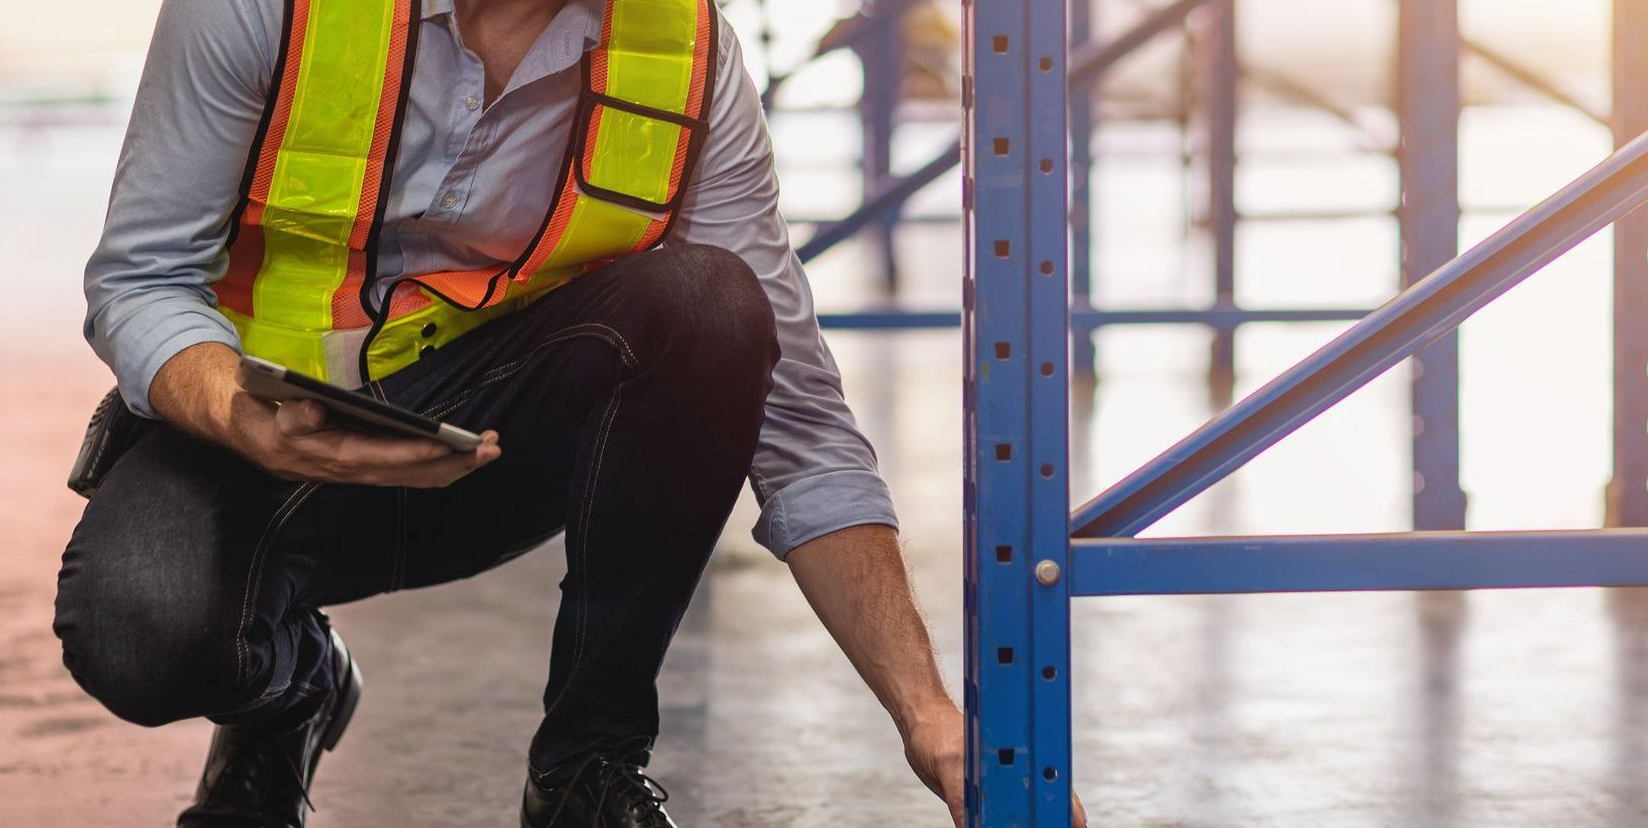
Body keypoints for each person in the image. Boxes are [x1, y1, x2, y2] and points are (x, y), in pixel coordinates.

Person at [54, 0, 1084, 825]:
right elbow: (140, 280)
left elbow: (799, 423)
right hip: (262, 437)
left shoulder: (683, 50)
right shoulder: (264, 10)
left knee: (713, 304)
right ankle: (289, 695)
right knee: (137, 630)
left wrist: (930, 714)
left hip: (488, 451)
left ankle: (588, 768)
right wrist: (234, 411)